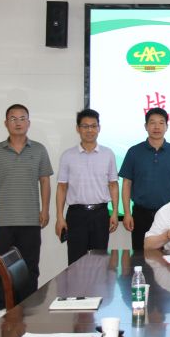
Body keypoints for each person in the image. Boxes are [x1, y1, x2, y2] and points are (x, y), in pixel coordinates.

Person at [0, 104, 52, 318]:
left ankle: (27, 307)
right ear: (6, 123)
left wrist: (45, 210)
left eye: (22, 118)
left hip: (31, 220)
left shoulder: (39, 149)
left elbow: (45, 181)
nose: (18, 122)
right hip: (3, 220)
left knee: (30, 267)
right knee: (2, 267)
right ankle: (2, 307)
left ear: (28, 123)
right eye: (13, 118)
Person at [55, 108, 119, 265]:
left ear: (99, 128)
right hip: (76, 215)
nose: (90, 130)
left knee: (99, 262)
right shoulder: (67, 156)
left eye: (93, 126)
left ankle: (98, 284)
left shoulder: (108, 154)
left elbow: (113, 185)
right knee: (76, 262)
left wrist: (115, 212)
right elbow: (62, 187)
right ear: (78, 129)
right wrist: (60, 217)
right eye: (85, 126)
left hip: (100, 214)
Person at [119, 107, 170, 251]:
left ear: (167, 127)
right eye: (152, 123)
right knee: (140, 254)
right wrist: (127, 213)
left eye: (161, 123)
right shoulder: (134, 152)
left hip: (169, 214)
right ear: (146, 126)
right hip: (140, 214)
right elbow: (126, 184)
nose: (157, 127)